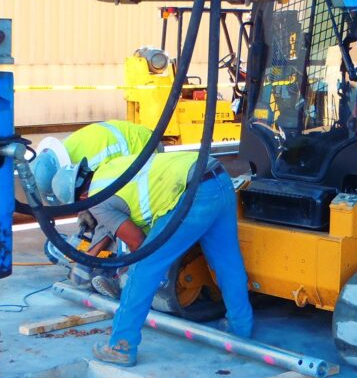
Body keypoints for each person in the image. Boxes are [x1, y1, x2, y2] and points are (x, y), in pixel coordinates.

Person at [76, 151, 254, 366]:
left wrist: (127, 267)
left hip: (191, 193)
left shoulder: (97, 201)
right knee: (227, 261)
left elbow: (138, 242)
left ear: (81, 198)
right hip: (218, 177)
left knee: (143, 269)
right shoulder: (109, 168)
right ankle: (241, 329)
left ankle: (121, 346)